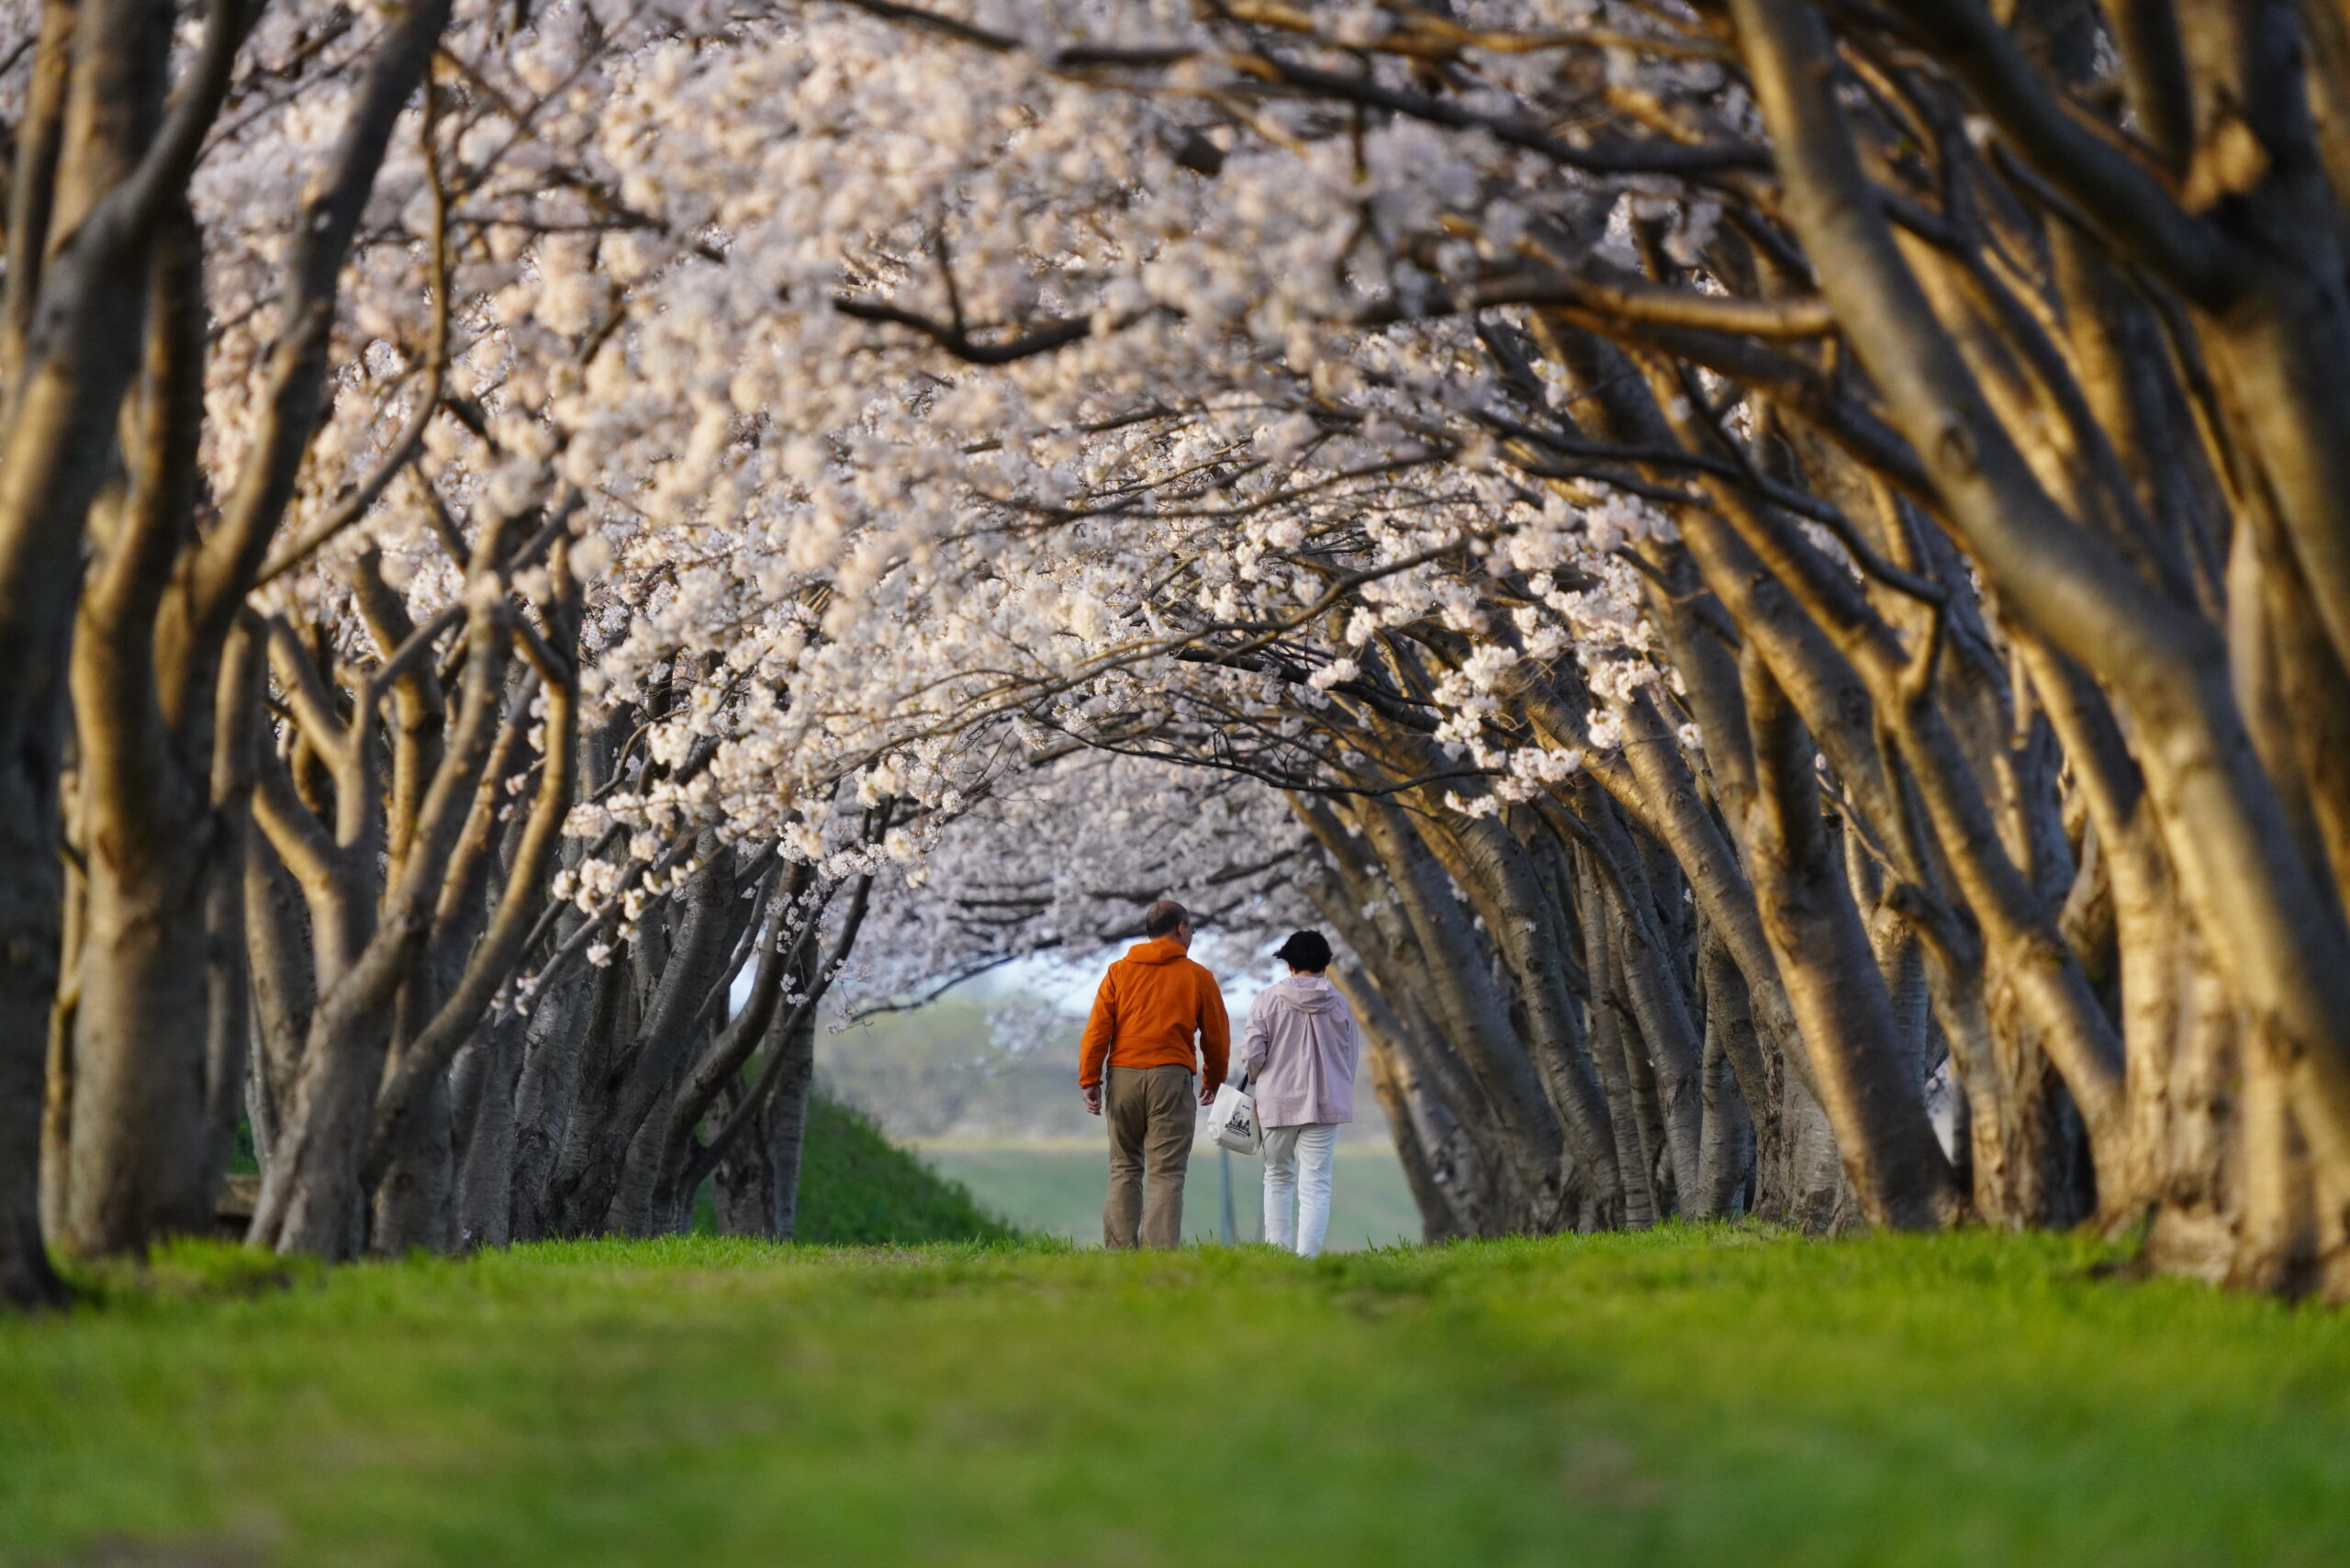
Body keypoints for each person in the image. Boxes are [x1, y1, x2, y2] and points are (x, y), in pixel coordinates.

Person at [1079, 900, 1231, 1249]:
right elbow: (1217, 1037)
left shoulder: (1118, 972)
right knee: (1166, 1173)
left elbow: (1097, 1030)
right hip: (1170, 1078)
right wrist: (1213, 1080)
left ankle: (1119, 1254)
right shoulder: (1198, 977)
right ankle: (1159, 1258)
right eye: (1192, 928)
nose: (1192, 934)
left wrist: (1090, 1080)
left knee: (1124, 1168)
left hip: (1124, 1077)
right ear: (1180, 928)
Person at [1237, 929, 1360, 1259]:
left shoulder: (1266, 1000)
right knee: (1316, 1182)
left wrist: (1258, 1076)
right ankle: (1308, 1257)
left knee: (1277, 1176)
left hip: (1277, 1102)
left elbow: (1252, 1053)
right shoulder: (1339, 1004)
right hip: (1325, 1102)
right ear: (1325, 966)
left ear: (1289, 965)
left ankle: (1277, 1253)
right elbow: (1350, 1056)